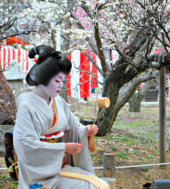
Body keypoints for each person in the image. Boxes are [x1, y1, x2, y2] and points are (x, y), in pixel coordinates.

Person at [13, 45, 109, 189]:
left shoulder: (59, 102)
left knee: (98, 185)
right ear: (42, 78)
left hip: (60, 165)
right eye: (57, 81)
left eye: (63, 81)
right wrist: (63, 147)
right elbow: (25, 145)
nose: (60, 86)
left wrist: (86, 130)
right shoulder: (26, 106)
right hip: (40, 173)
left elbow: (74, 127)